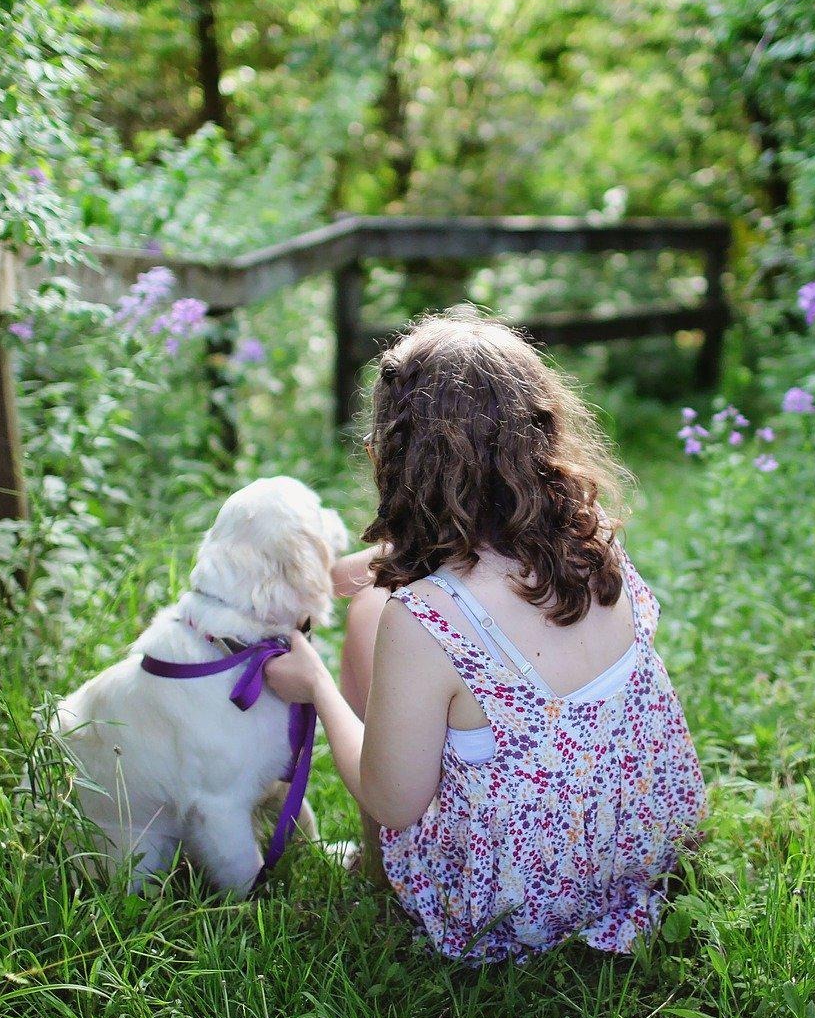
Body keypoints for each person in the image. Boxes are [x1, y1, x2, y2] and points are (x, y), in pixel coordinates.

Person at [262, 312, 706, 962]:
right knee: (375, 601)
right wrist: (338, 572)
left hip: (513, 903)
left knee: (367, 616)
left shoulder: (422, 618)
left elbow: (395, 801)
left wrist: (319, 689)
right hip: (643, 845)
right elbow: (468, 570)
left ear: (394, 456)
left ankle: (377, 872)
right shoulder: (594, 537)